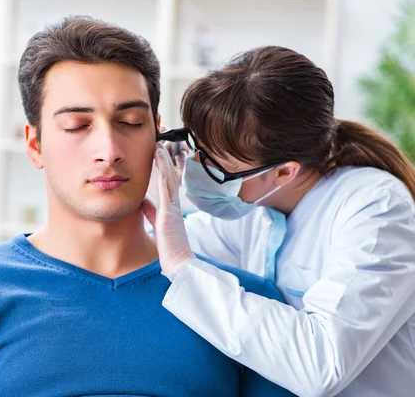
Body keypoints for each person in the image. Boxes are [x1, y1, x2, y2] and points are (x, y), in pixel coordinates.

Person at [0, 17, 295, 396]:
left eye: (131, 123)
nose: (108, 150)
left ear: (158, 136)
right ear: (36, 145)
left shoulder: (245, 302)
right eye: (77, 126)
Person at [143, 45, 415, 397]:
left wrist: (182, 265)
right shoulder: (252, 209)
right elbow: (152, 248)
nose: (194, 166)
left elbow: (320, 365)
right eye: (196, 146)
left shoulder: (375, 207)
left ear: (284, 172)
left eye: (216, 163)